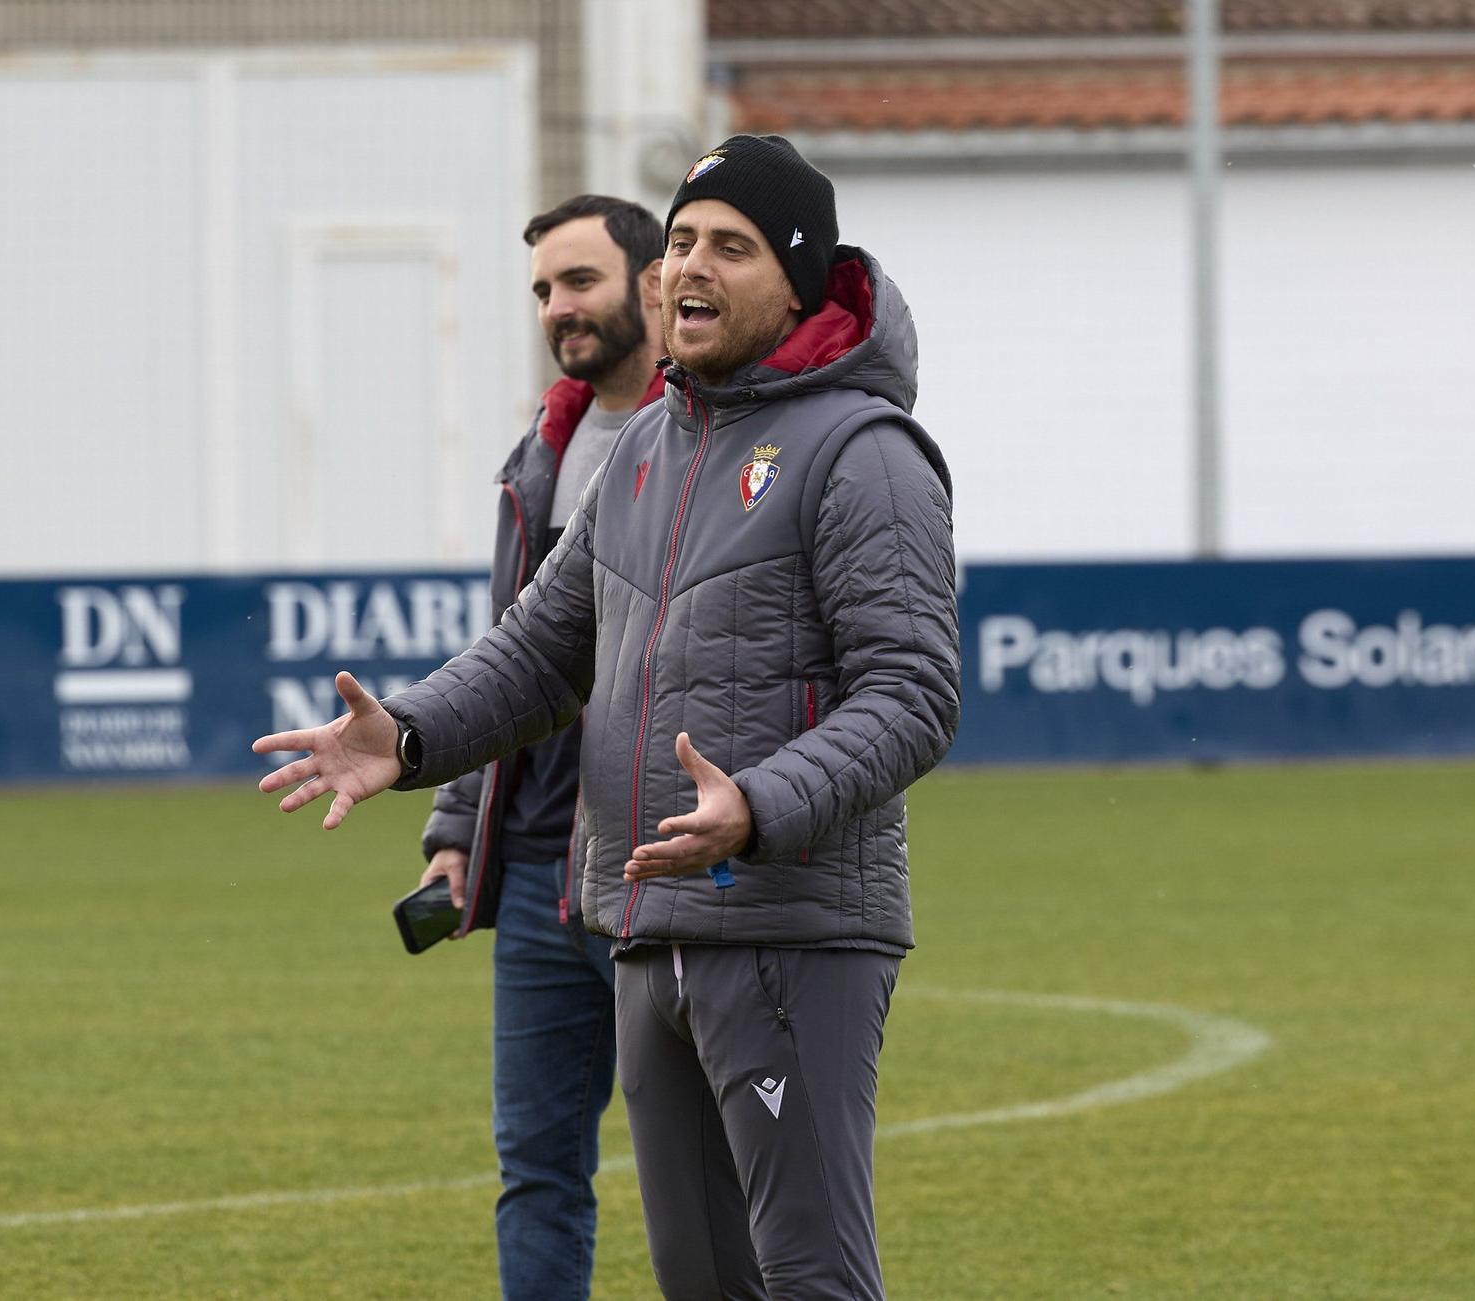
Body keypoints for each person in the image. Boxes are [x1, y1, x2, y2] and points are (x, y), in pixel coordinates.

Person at [257, 135, 960, 1301]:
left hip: (789, 929)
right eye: (680, 239)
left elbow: (912, 693)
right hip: (643, 924)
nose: (690, 264)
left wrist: (763, 804)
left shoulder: (862, 451)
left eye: (729, 246)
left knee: (810, 1277)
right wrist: (411, 734)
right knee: (701, 1282)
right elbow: (539, 650)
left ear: (794, 282)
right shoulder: (642, 446)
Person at [415, 194, 666, 1301]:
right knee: (536, 1173)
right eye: (541, 291)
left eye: (579, 282)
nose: (557, 309)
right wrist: (455, 829)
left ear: (652, 284)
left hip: (654, 860)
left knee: (703, 1167)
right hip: (527, 872)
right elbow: (506, 657)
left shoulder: (708, 435)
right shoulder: (543, 450)